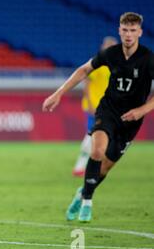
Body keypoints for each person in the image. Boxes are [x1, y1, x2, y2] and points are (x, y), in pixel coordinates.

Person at [43, 12, 154, 222]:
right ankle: (87, 203)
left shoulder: (148, 59)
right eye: (125, 30)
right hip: (108, 111)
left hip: (131, 121)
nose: (128, 34)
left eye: (133, 30)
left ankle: (82, 193)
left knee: (105, 167)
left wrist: (142, 110)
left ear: (139, 32)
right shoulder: (110, 54)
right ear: (119, 31)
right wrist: (58, 93)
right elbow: (84, 70)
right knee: (96, 150)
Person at [72, 36, 118, 177]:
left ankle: (89, 165)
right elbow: (86, 84)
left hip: (108, 108)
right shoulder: (98, 63)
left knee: (101, 137)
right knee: (91, 134)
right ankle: (80, 166)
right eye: (108, 46)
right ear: (103, 47)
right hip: (95, 107)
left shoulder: (117, 65)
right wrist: (91, 104)